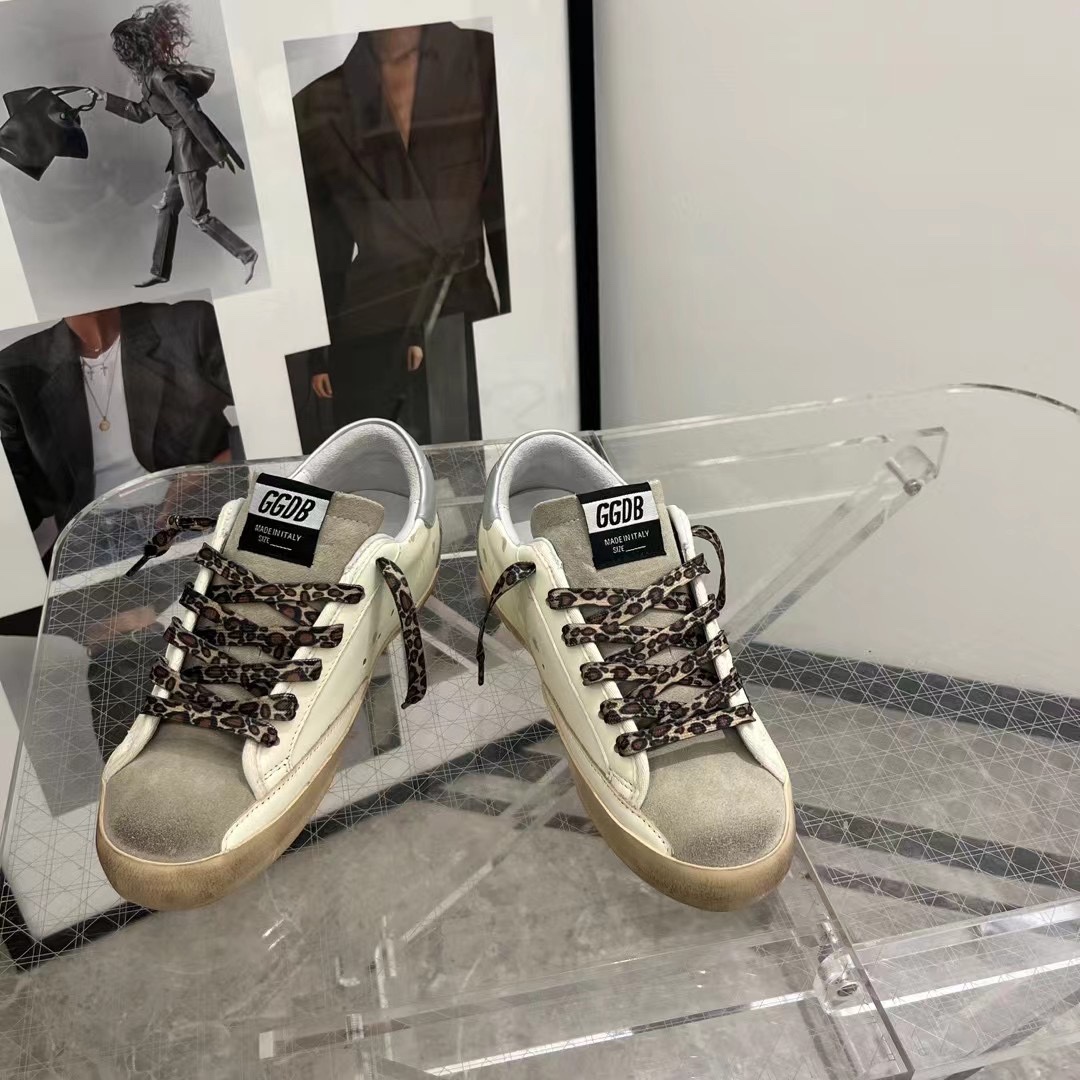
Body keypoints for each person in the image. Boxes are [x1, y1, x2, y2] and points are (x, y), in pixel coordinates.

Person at [292, 22, 510, 445]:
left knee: (472, 465)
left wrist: (520, 335)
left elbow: (509, 216)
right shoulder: (316, 103)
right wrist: (319, 356)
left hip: (465, 316)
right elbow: (324, 254)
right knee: (385, 473)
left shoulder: (484, 57)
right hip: (372, 332)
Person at [0, 299, 233, 538]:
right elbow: (17, 491)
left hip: (201, 510)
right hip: (91, 537)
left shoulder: (188, 325)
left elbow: (257, 406)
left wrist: (210, 472)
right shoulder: (14, 370)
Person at [88, 2, 257, 287]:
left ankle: (247, 255)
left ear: (132, 50)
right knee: (167, 209)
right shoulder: (149, 79)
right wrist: (106, 98)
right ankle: (160, 271)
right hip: (180, 153)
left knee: (199, 217)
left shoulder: (160, 77)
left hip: (189, 151)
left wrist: (217, 150)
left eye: (122, 48)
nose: (121, 54)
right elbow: (141, 114)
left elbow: (191, 112)